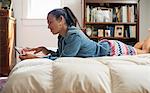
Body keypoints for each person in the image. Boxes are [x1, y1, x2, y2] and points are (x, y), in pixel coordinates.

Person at [19, 7, 149, 60]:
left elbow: (64, 60)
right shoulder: (62, 36)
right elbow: (61, 54)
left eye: (50, 22)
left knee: (146, 52)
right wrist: (45, 50)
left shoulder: (73, 35)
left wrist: (36, 58)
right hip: (105, 45)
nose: (48, 26)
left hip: (111, 50)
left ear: (61, 20)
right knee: (138, 48)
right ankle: (144, 41)